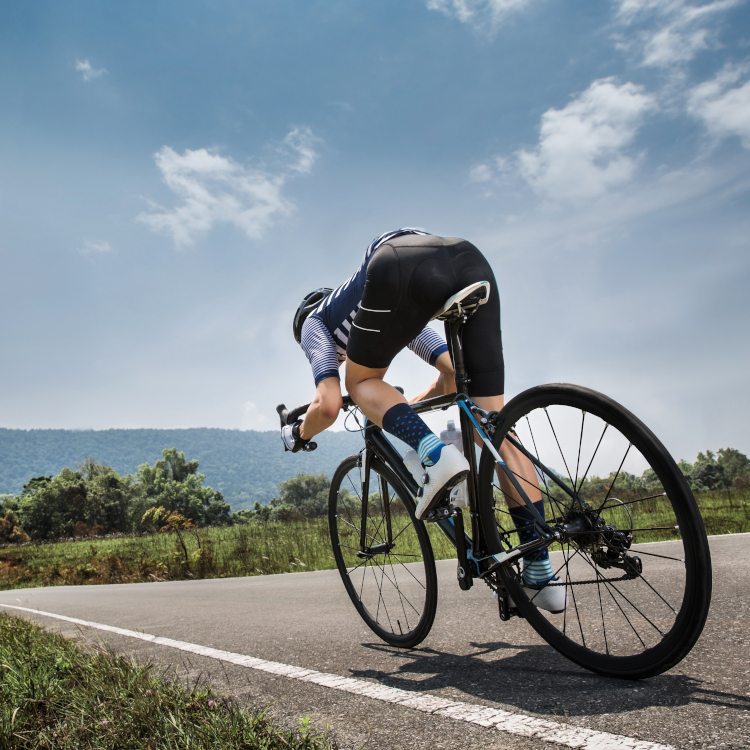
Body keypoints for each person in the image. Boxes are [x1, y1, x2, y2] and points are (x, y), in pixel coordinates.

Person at [282, 228, 565, 612]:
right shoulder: (373, 305)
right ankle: (540, 570)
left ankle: (436, 454)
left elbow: (328, 405)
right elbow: (450, 372)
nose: (341, 357)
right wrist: (402, 407)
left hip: (395, 262)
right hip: (467, 260)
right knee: (494, 431)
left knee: (361, 382)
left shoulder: (316, 323)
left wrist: (297, 433)